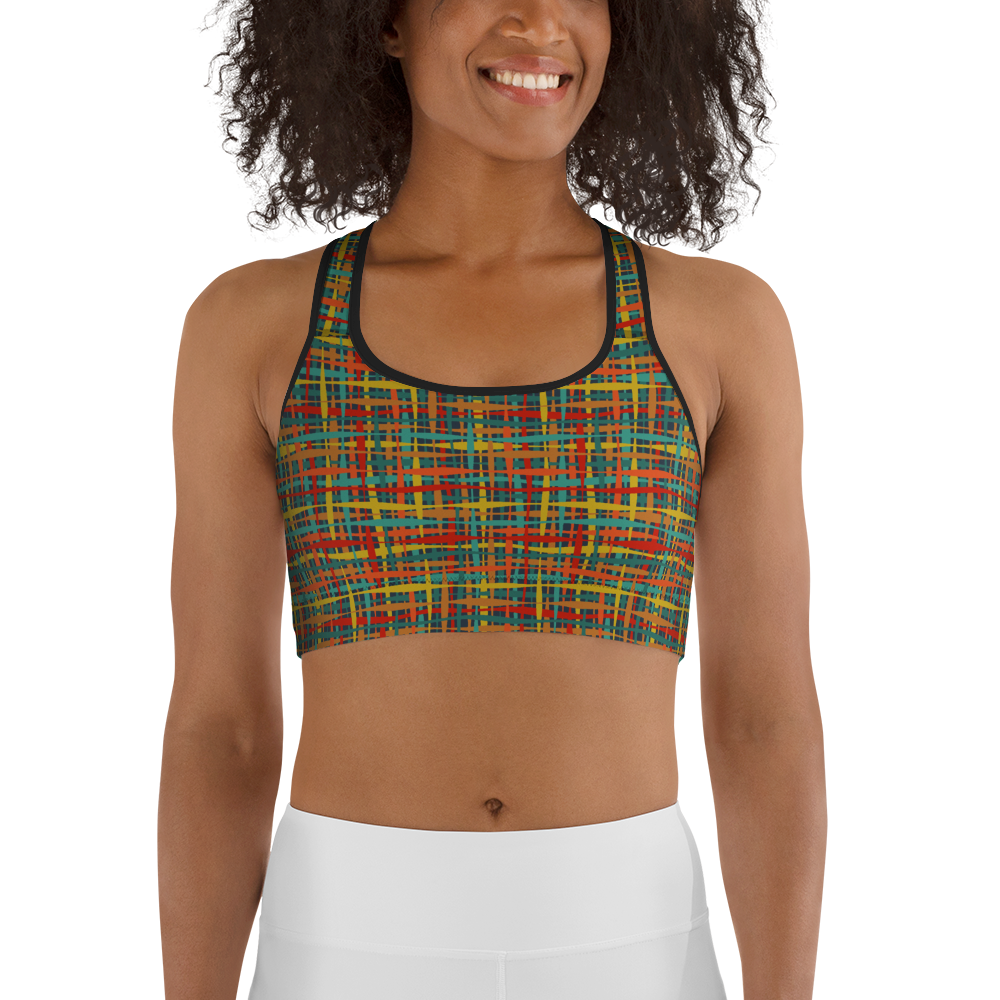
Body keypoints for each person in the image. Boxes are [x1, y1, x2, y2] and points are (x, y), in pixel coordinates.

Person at [160, 1, 826, 998]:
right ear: (382, 20)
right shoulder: (255, 327)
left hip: (632, 946)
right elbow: (223, 732)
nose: (540, 21)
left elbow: (762, 720)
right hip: (343, 944)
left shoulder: (721, 326)